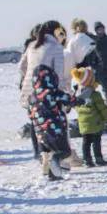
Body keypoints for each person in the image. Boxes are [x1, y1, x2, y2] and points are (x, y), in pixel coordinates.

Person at [24, 21, 76, 181]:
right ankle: (58, 166)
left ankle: (47, 168)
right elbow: (59, 75)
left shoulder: (32, 45)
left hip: (31, 94)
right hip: (51, 95)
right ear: (55, 31)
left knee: (42, 134)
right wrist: (64, 96)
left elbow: (22, 67)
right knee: (57, 133)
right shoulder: (55, 48)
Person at [72, 66, 107, 167]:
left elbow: (75, 108)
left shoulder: (77, 96)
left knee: (86, 143)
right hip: (96, 123)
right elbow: (102, 109)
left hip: (83, 124)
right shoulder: (95, 95)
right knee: (96, 142)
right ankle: (98, 159)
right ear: (90, 80)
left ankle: (87, 160)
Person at [18, 24, 42, 159]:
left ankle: (41, 150)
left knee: (39, 119)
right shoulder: (31, 47)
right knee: (35, 120)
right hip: (31, 88)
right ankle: (38, 150)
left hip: (34, 87)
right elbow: (22, 68)